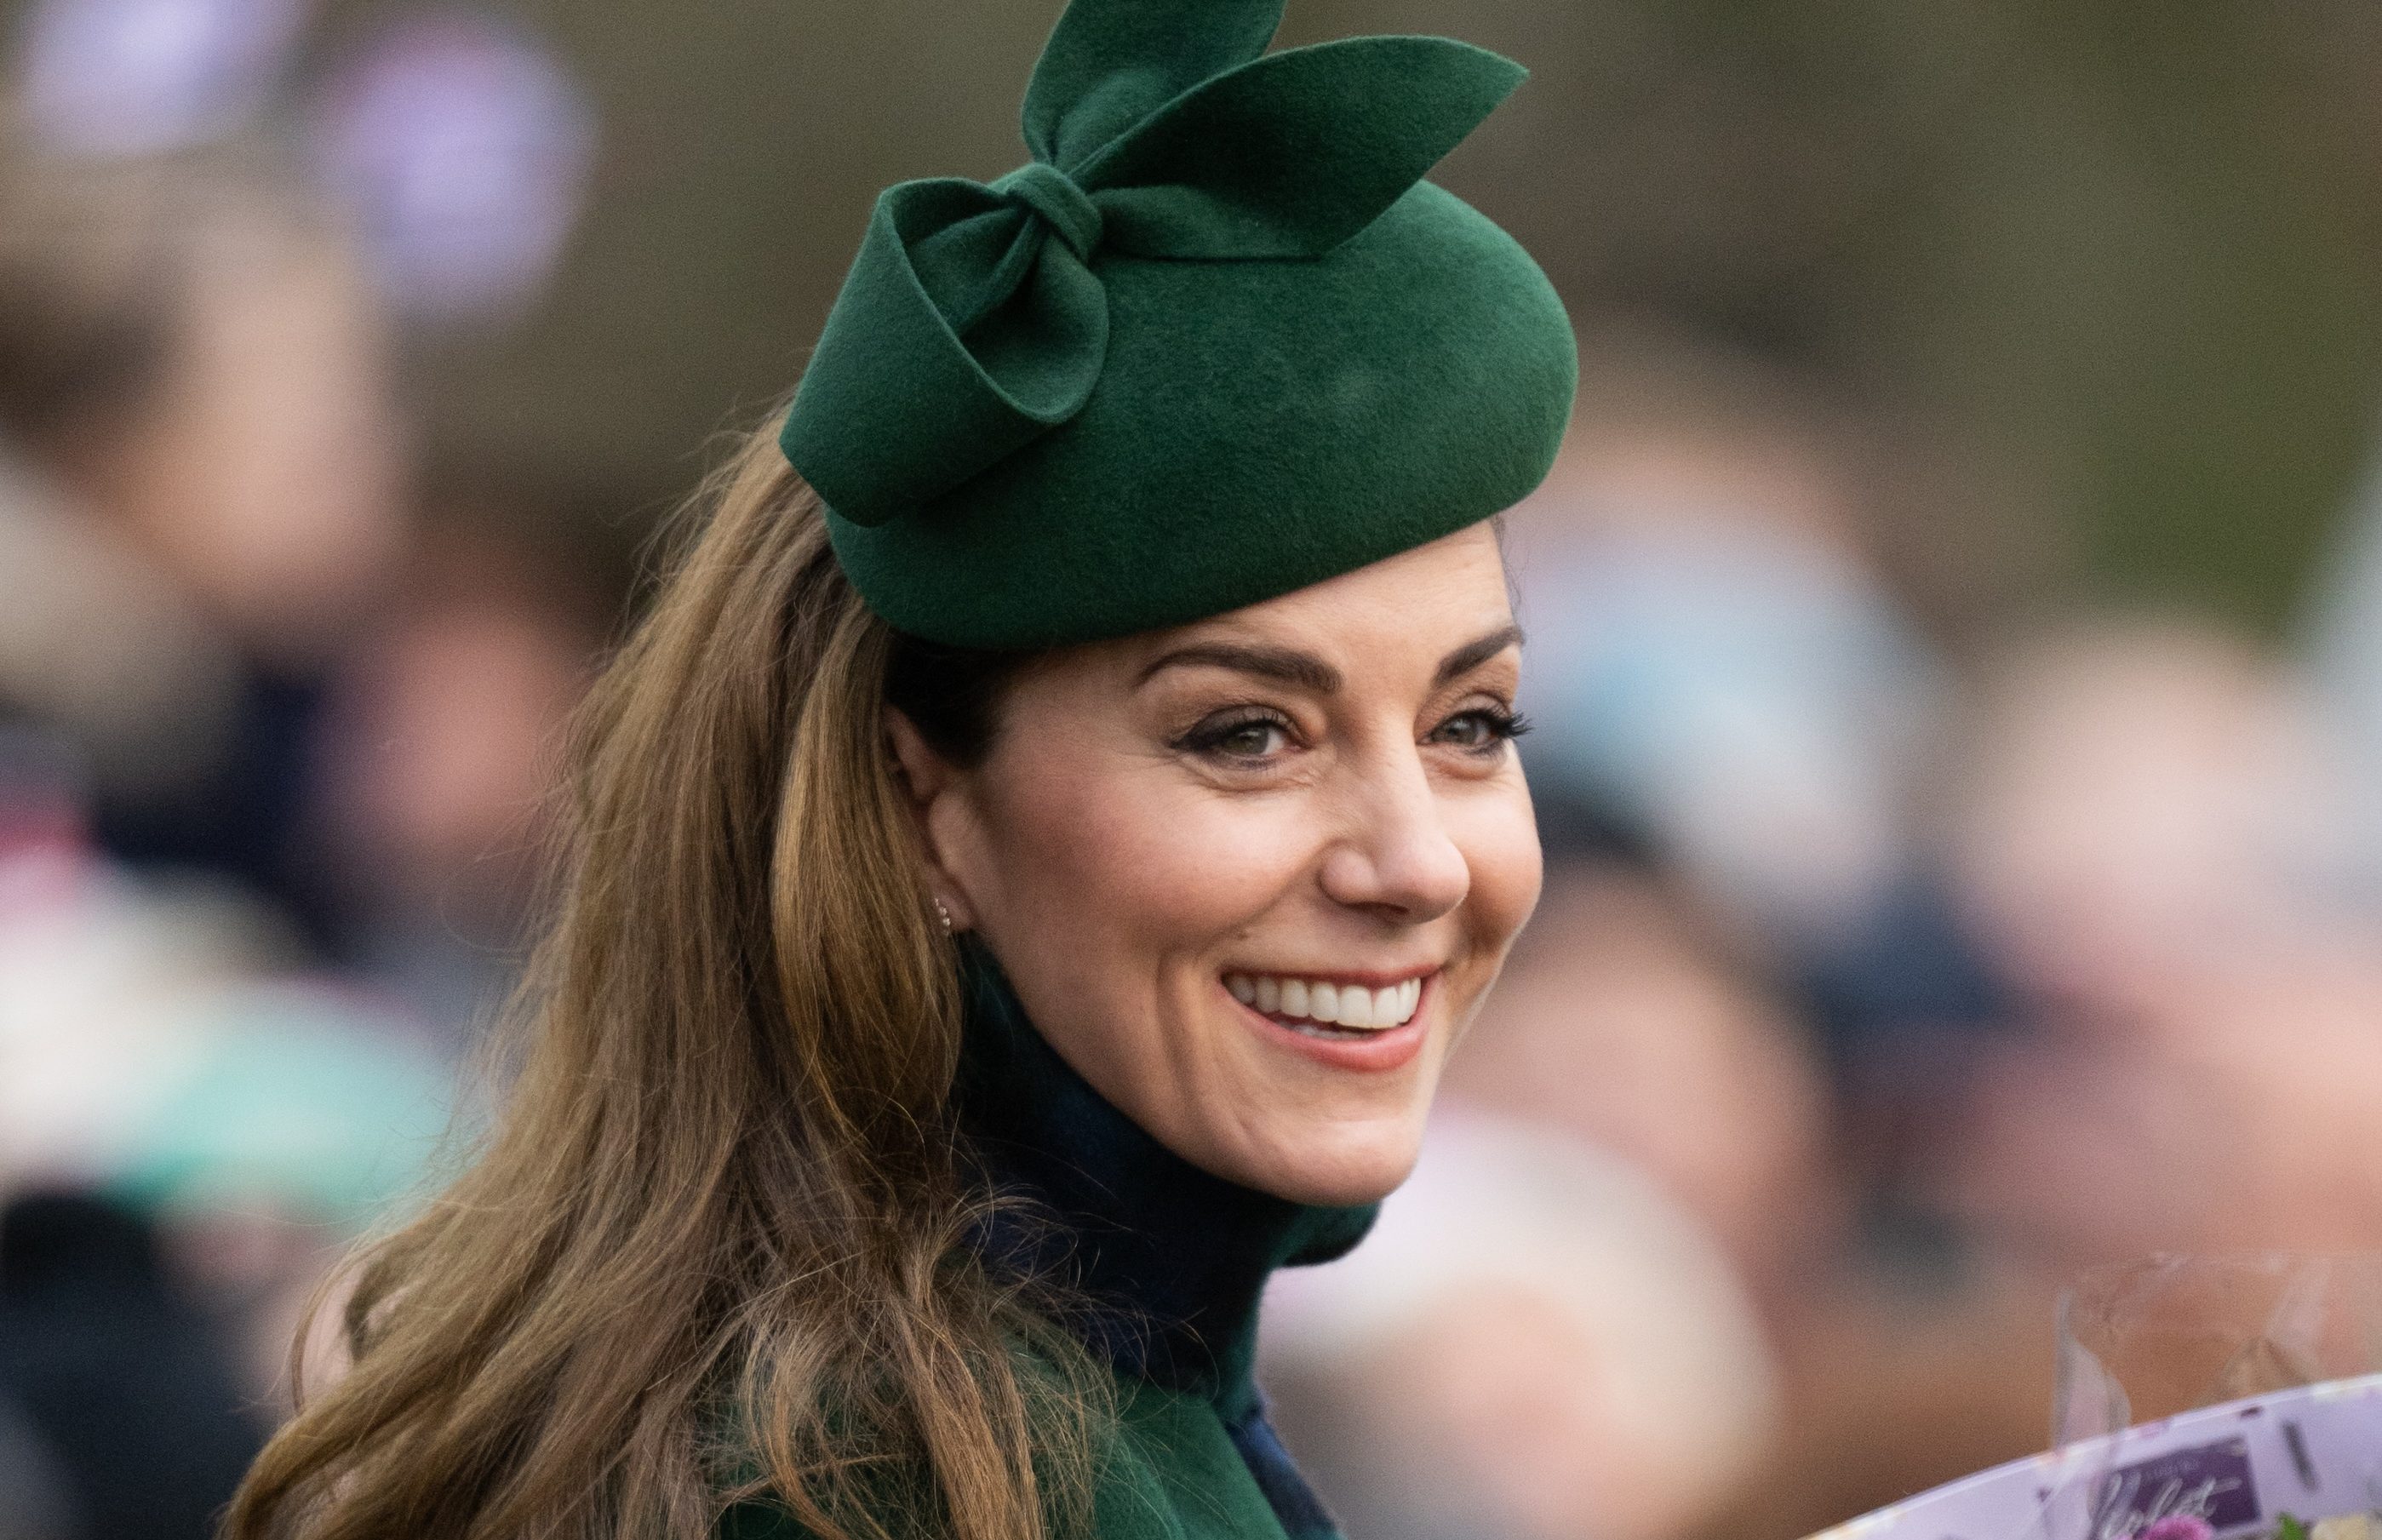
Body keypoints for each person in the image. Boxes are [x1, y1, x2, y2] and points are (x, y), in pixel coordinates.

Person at [223, 0, 1576, 1536]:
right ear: (921, 803)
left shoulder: (992, 1403)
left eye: (1471, 724)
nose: (1414, 862)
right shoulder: (891, 1483)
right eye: (1245, 734)